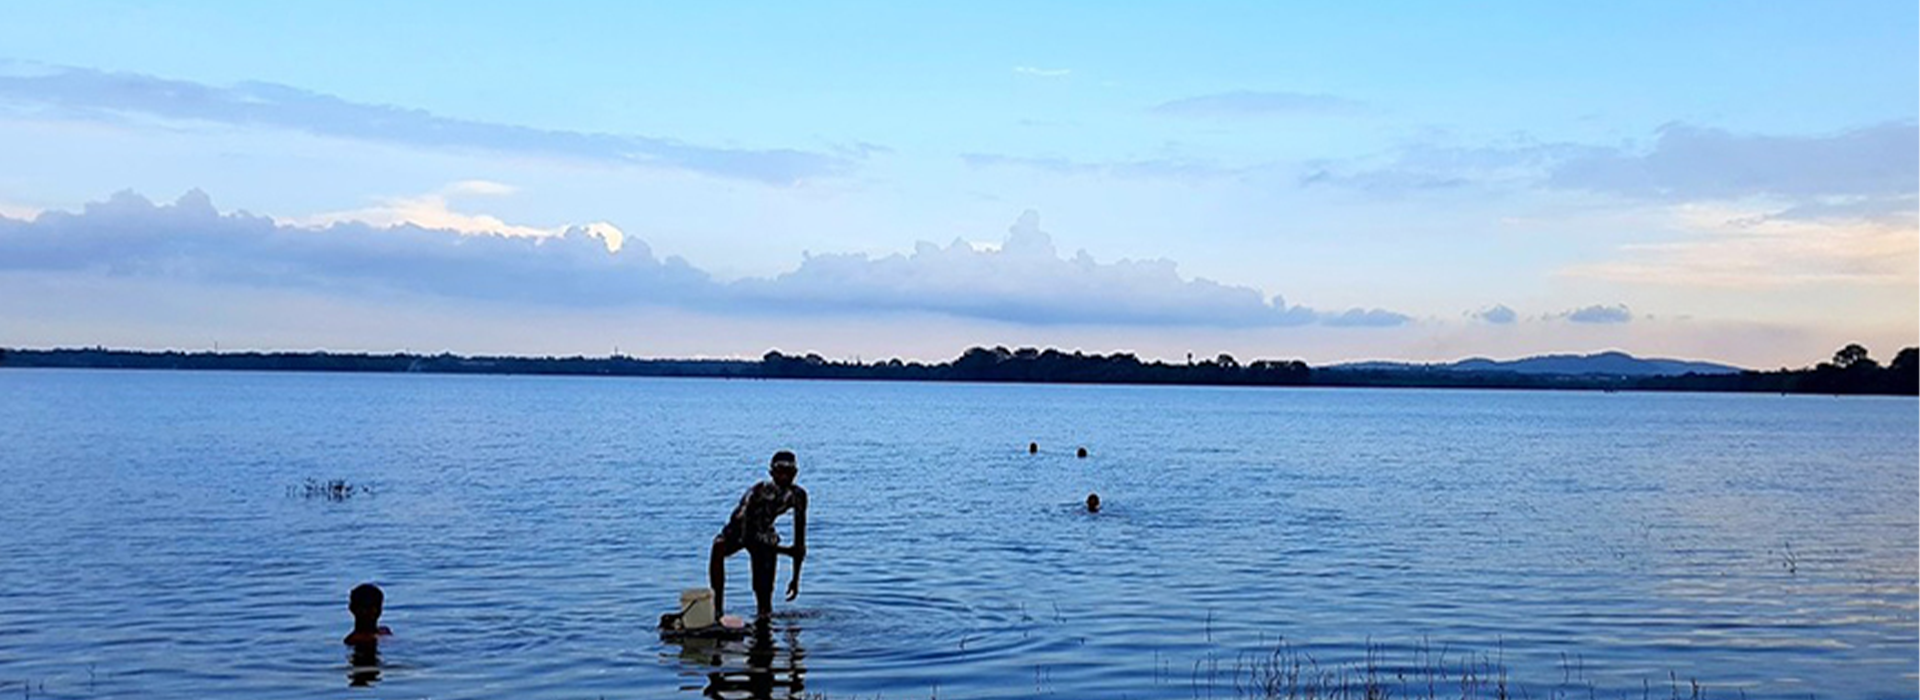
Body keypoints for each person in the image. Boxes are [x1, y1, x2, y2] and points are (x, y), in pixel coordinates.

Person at [710, 450, 809, 620]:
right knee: (718, 546)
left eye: (789, 472)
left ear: (795, 473)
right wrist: (782, 550)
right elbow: (747, 535)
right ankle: (717, 610)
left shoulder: (798, 496)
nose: (784, 477)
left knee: (764, 596)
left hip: (764, 531)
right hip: (740, 529)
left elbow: (799, 543)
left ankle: (764, 621)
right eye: (780, 471)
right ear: (772, 473)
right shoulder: (758, 492)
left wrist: (795, 580)